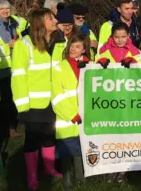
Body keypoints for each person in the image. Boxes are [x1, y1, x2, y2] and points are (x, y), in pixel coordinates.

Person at [11, 8, 66, 190]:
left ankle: (49, 169)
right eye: (50, 18)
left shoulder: (59, 42)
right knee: (32, 140)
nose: (54, 20)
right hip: (33, 103)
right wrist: (22, 104)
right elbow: (18, 75)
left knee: (50, 136)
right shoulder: (24, 44)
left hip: (54, 101)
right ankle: (32, 176)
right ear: (40, 23)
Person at [0, 0, 28, 141]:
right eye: (2, 9)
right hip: (1, 66)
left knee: (16, 95)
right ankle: (6, 127)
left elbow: (28, 30)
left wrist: (20, 41)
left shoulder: (17, 21)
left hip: (18, 64)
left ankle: (15, 124)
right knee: (5, 99)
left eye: (7, 8)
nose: (5, 11)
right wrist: (8, 46)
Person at [51, 33, 91, 190]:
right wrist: (70, 114)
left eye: (78, 46)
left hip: (85, 116)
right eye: (72, 46)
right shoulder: (60, 68)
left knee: (81, 147)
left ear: (84, 50)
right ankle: (67, 178)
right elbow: (57, 95)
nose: (73, 49)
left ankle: (80, 175)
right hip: (67, 117)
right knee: (67, 148)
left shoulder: (89, 66)